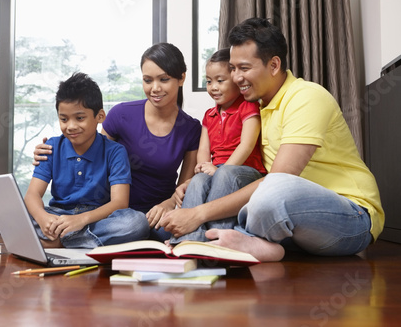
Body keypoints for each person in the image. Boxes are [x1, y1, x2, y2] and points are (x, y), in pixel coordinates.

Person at [159, 17, 384, 262]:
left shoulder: (306, 97)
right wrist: (196, 186)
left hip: (351, 217)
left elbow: (280, 179)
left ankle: (242, 237)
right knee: (231, 176)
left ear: (274, 65)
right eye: (232, 68)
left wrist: (197, 213)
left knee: (273, 189)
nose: (235, 77)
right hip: (292, 223)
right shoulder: (255, 108)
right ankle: (218, 242)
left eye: (244, 68)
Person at [34, 43, 202, 242]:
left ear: (181, 78)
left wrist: (168, 204)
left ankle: (61, 238)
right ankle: (75, 235)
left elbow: (184, 186)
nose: (155, 88)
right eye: (148, 80)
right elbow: (94, 150)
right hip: (108, 212)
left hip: (153, 214)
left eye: (163, 79)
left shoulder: (190, 128)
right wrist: (53, 150)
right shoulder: (122, 115)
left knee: (189, 234)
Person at [0, 72, 149, 248]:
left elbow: (119, 203)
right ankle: (74, 241)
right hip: (56, 215)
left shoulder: (115, 152)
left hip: (94, 219)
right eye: (64, 119)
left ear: (100, 116)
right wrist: (43, 218)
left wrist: (79, 220)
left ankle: (52, 242)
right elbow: (33, 195)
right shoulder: (51, 147)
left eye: (80, 118)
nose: (71, 126)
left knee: (136, 223)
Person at [167, 48, 267, 244]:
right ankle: (188, 239)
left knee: (225, 175)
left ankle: (217, 238)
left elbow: (246, 145)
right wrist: (203, 168)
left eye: (220, 81)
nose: (213, 87)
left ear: (236, 81)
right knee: (196, 181)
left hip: (245, 171)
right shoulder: (209, 115)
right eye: (209, 81)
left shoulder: (248, 106)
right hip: (216, 170)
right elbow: (204, 150)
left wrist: (220, 169)